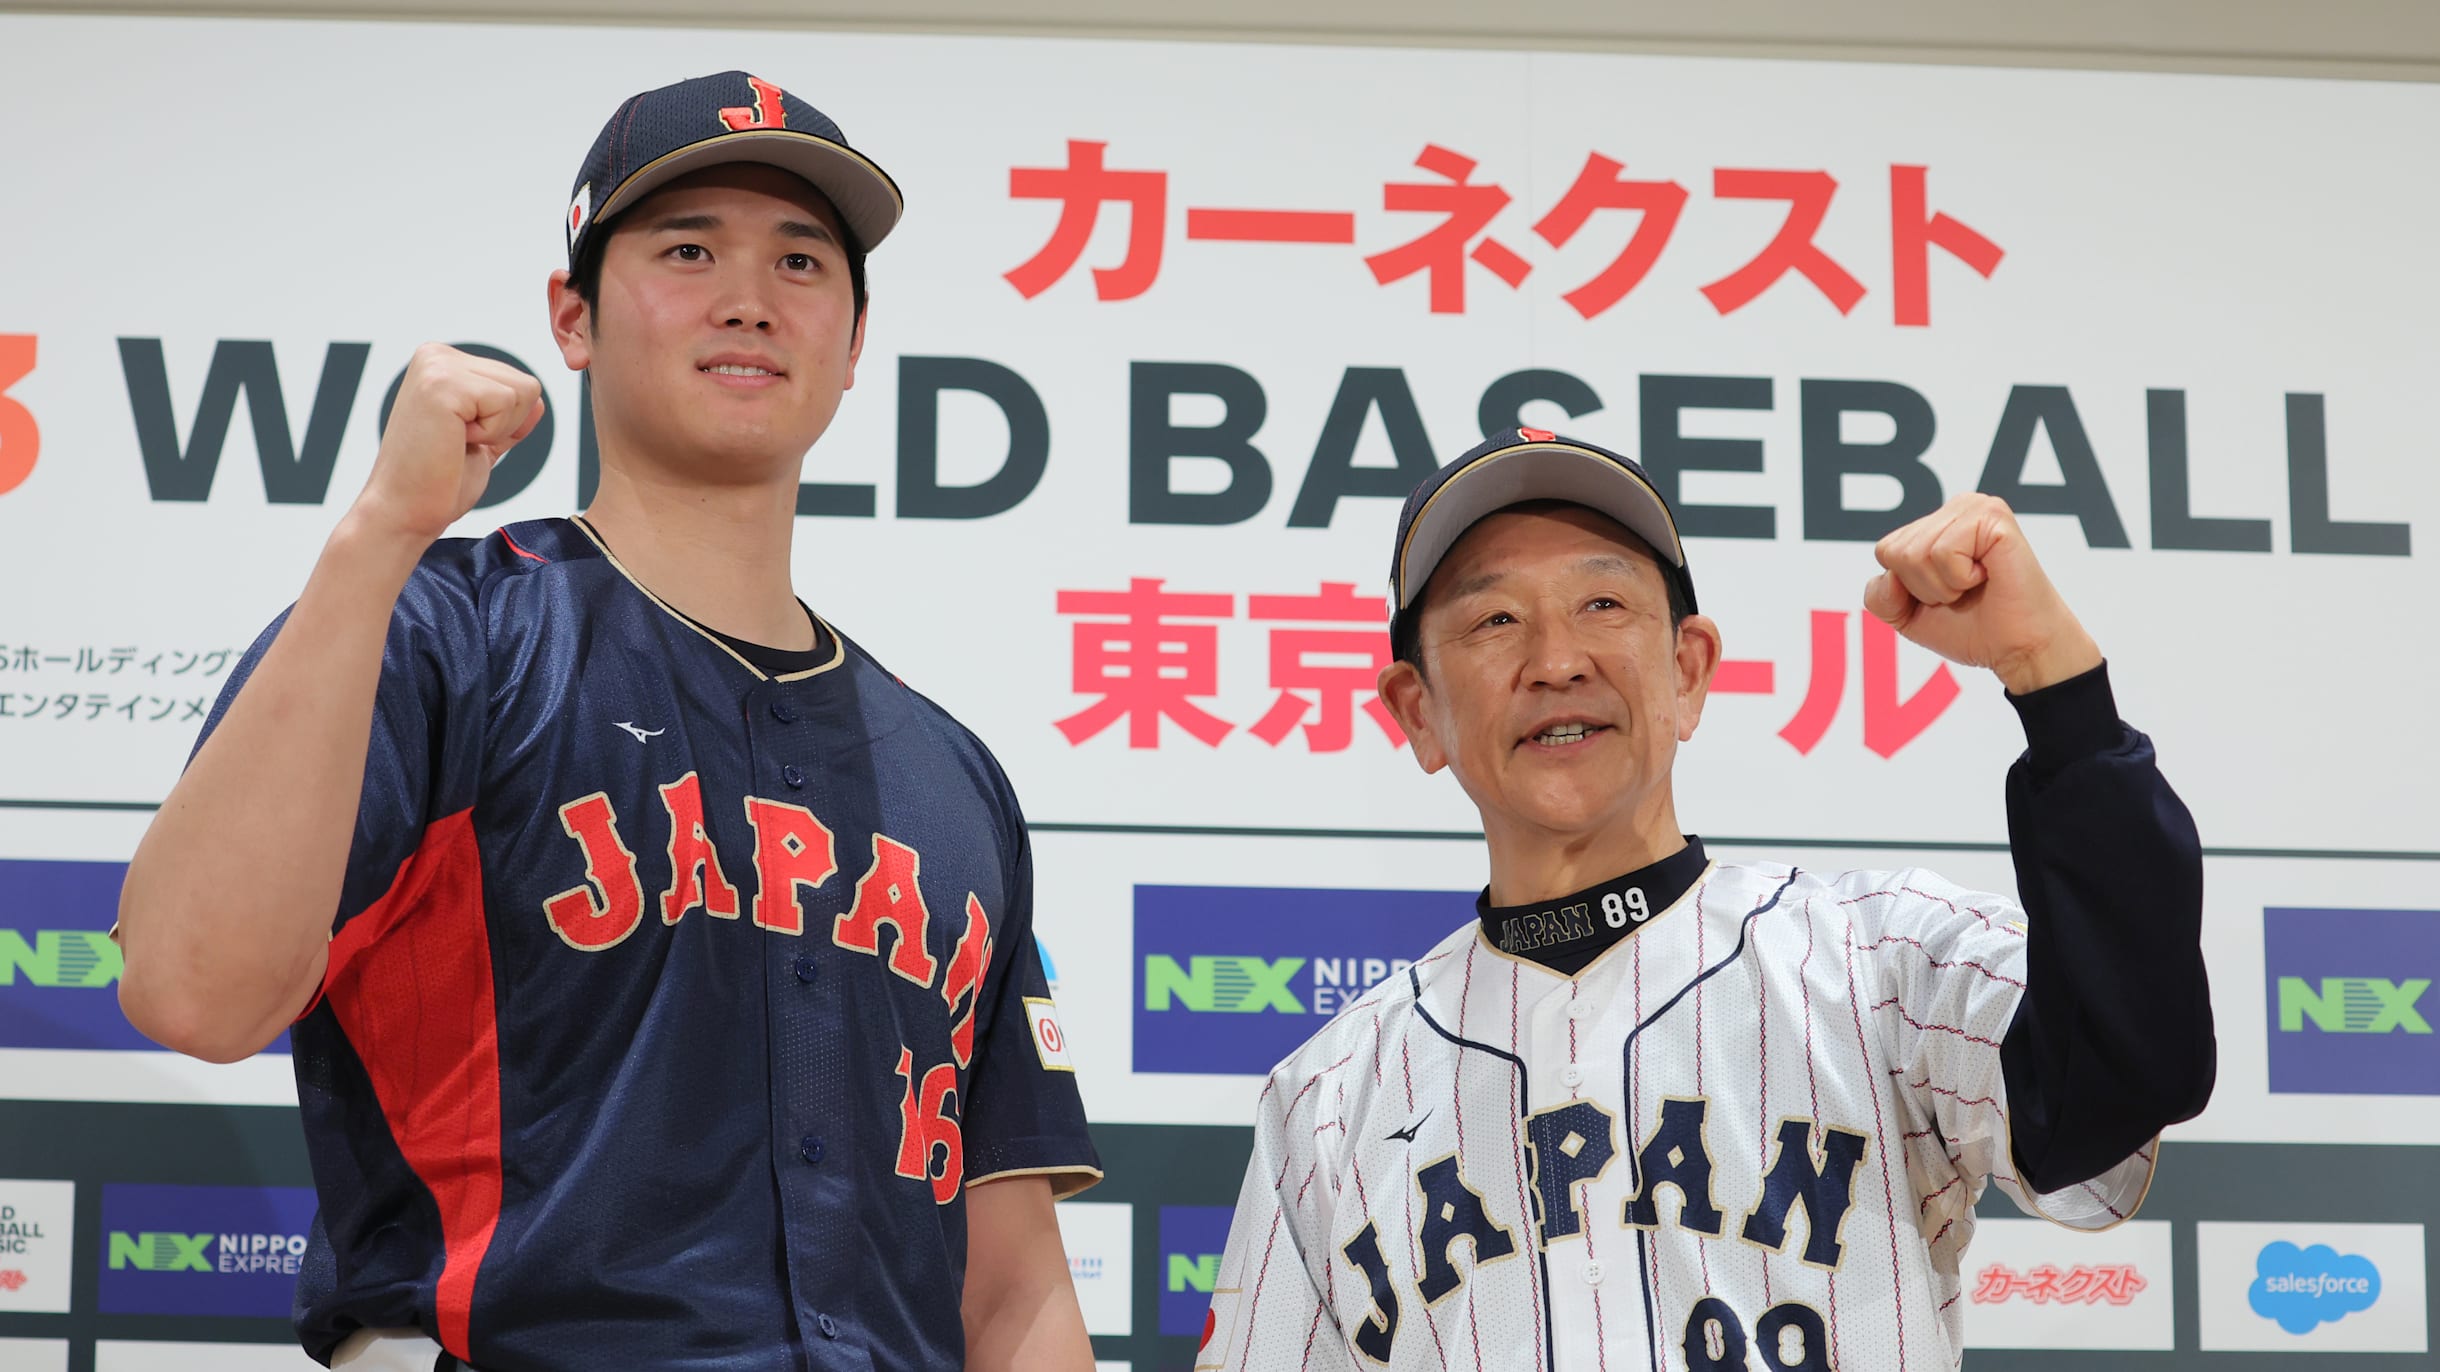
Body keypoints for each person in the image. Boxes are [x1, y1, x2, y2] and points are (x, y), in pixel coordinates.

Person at [114, 71, 1098, 1372]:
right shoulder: (437, 632)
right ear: (570, 318)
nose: (750, 296)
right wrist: (381, 534)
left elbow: (1015, 1289)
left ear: (856, 347)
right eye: (689, 249)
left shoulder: (952, 776)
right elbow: (191, 990)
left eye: (803, 260)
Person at [1197, 427, 2214, 1370]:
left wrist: (2054, 683)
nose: (1556, 660)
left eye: (1604, 604)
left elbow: (2124, 1076)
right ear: (1417, 712)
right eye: (1495, 618)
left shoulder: (1881, 961)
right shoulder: (1327, 1103)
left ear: (1687, 672)